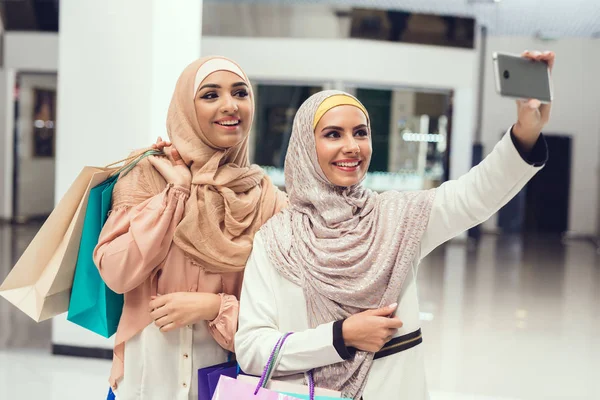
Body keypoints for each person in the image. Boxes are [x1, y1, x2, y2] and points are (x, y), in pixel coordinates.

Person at [235, 51, 554, 399]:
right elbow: (251, 348)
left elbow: (475, 195)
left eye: (360, 132)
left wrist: (526, 130)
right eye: (332, 134)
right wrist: (340, 337)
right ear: (305, 148)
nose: (351, 146)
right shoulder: (278, 241)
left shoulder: (397, 218)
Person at [94, 56, 287, 400]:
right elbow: (116, 272)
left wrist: (214, 307)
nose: (230, 106)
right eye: (210, 95)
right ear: (186, 106)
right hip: (144, 382)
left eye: (240, 93)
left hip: (227, 383)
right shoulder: (147, 177)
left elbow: (280, 316)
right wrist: (176, 195)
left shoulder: (267, 200)